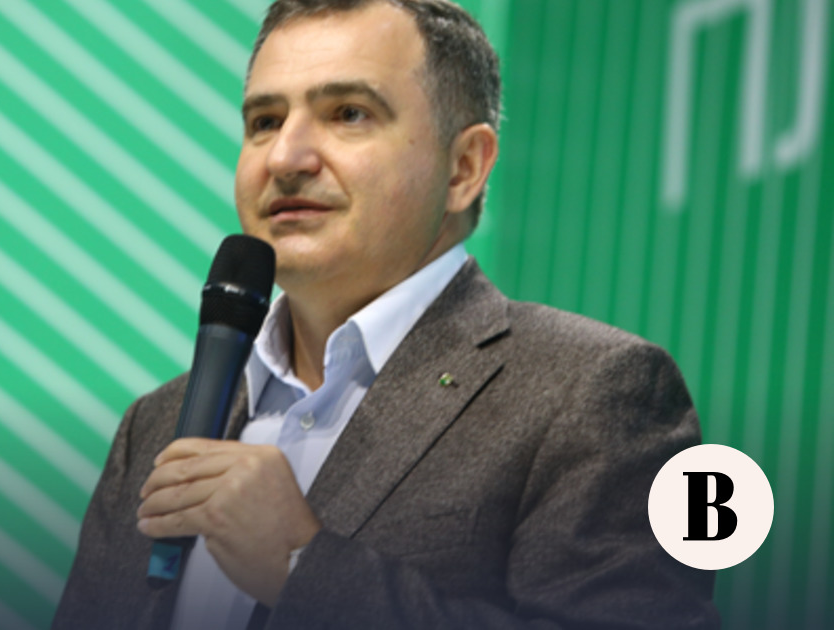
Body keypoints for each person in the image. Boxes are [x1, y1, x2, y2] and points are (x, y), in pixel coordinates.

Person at [53, 1, 719, 628]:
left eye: (348, 113)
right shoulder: (155, 426)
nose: (284, 158)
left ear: (463, 168)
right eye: (265, 122)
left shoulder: (593, 390)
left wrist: (301, 566)